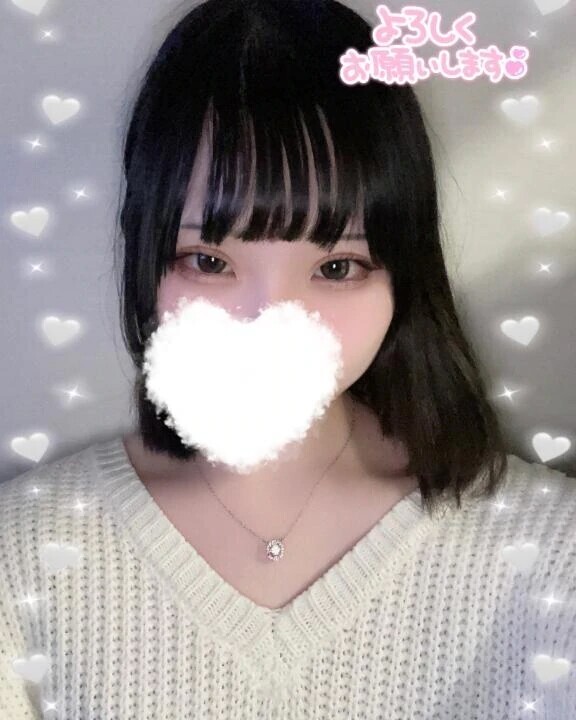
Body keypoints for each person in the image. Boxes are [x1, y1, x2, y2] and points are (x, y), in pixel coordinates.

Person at [1, 1, 575, 718]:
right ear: (147, 264)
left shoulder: (553, 553)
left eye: (336, 268)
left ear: (405, 277)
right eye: (209, 261)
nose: (267, 322)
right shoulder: (22, 558)